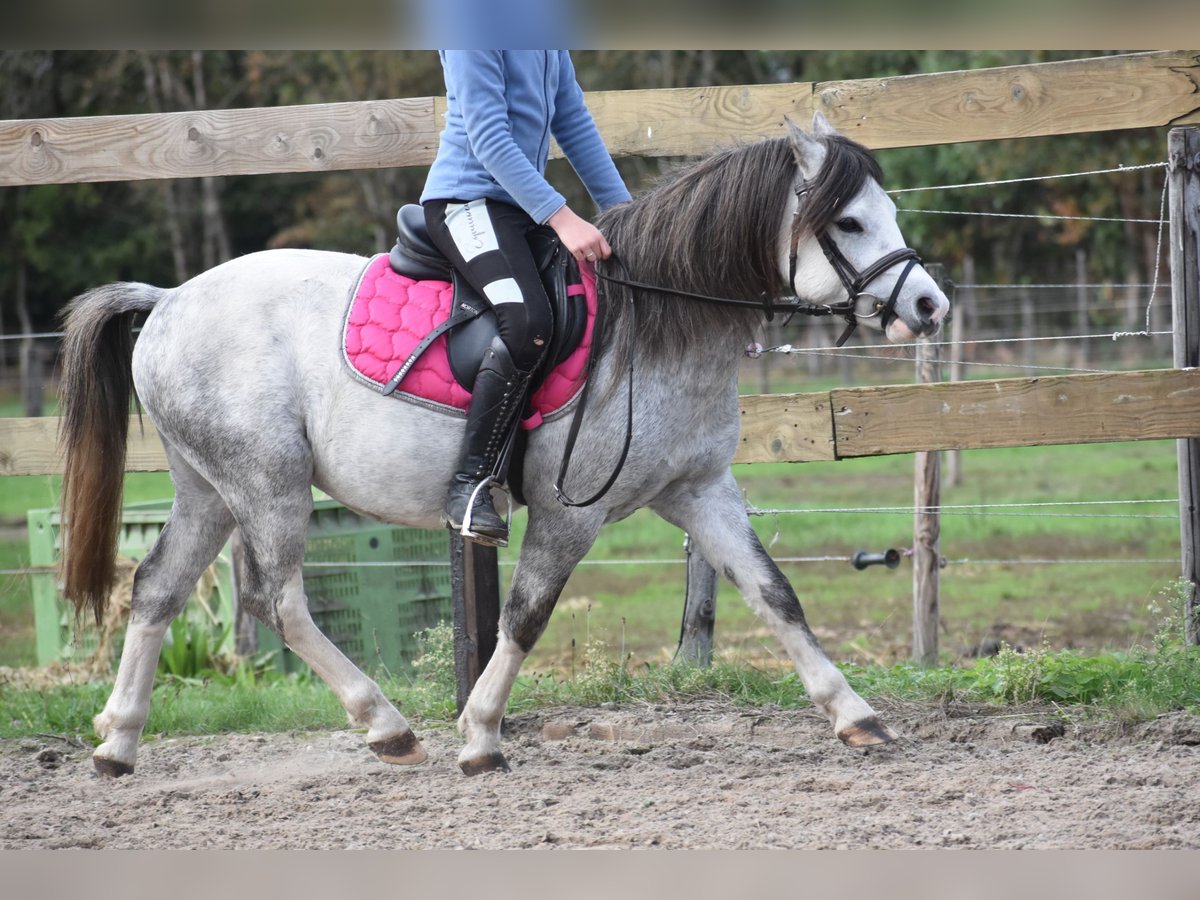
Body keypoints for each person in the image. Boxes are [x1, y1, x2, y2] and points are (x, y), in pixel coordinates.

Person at [421, 50, 631, 546]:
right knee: (527, 318)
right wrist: (562, 216)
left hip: (522, 211)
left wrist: (628, 217)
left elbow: (573, 122)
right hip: (465, 202)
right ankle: (470, 486)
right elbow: (489, 138)